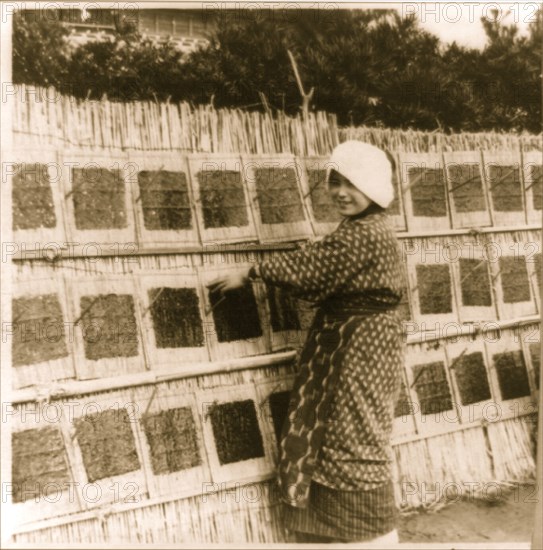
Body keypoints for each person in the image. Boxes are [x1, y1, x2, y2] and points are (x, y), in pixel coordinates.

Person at [208, 140, 405, 544]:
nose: (341, 192)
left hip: (359, 348)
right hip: (359, 341)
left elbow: (312, 268)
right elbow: (326, 257)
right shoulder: (365, 227)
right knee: (341, 430)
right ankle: (336, 533)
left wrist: (251, 271)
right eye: (334, 182)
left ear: (375, 187)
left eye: (353, 183)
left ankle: (369, 535)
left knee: (349, 433)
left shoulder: (366, 234)